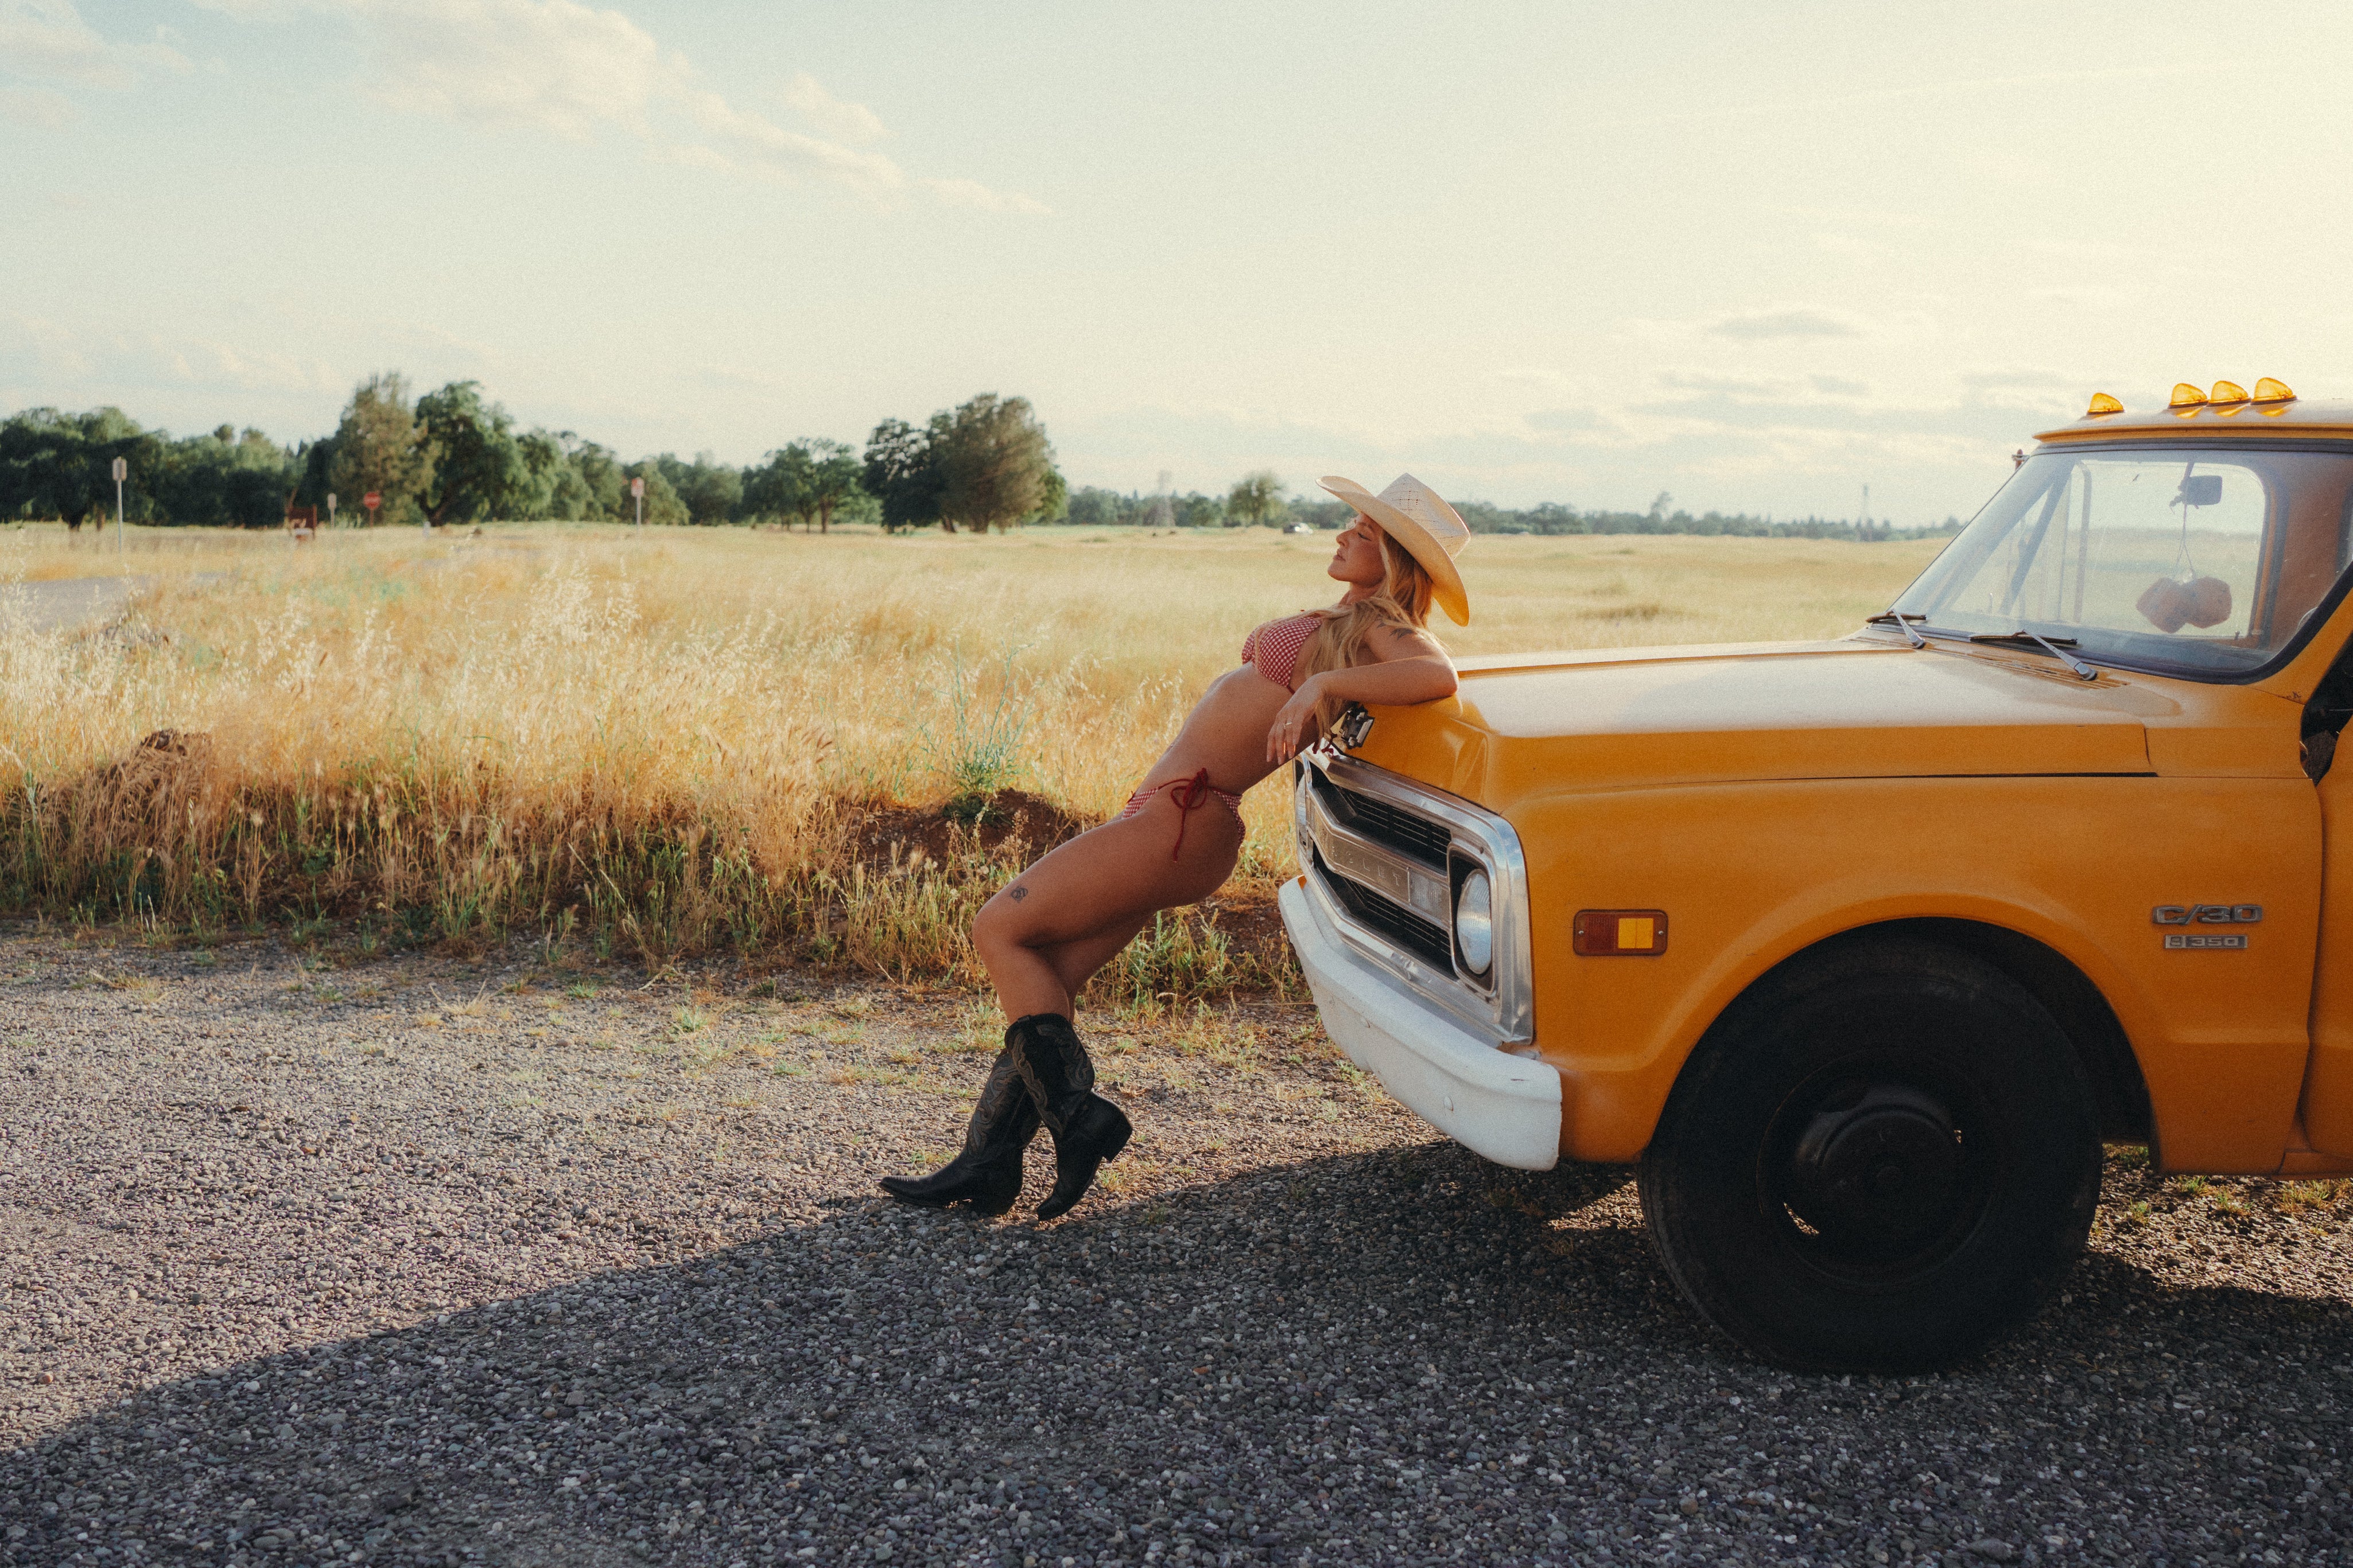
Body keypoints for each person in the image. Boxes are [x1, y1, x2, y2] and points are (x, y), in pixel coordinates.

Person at [880, 474, 1473, 1220]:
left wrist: (1314, 690)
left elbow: (1437, 673)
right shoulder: (1349, 621)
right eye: (1350, 521)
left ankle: (1080, 1120)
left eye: (1362, 528)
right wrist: (1317, 684)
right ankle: (989, 1160)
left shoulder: (1381, 625)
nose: (1343, 532)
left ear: (1393, 556)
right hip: (1174, 818)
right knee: (1049, 973)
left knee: (998, 927)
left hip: (1183, 821)